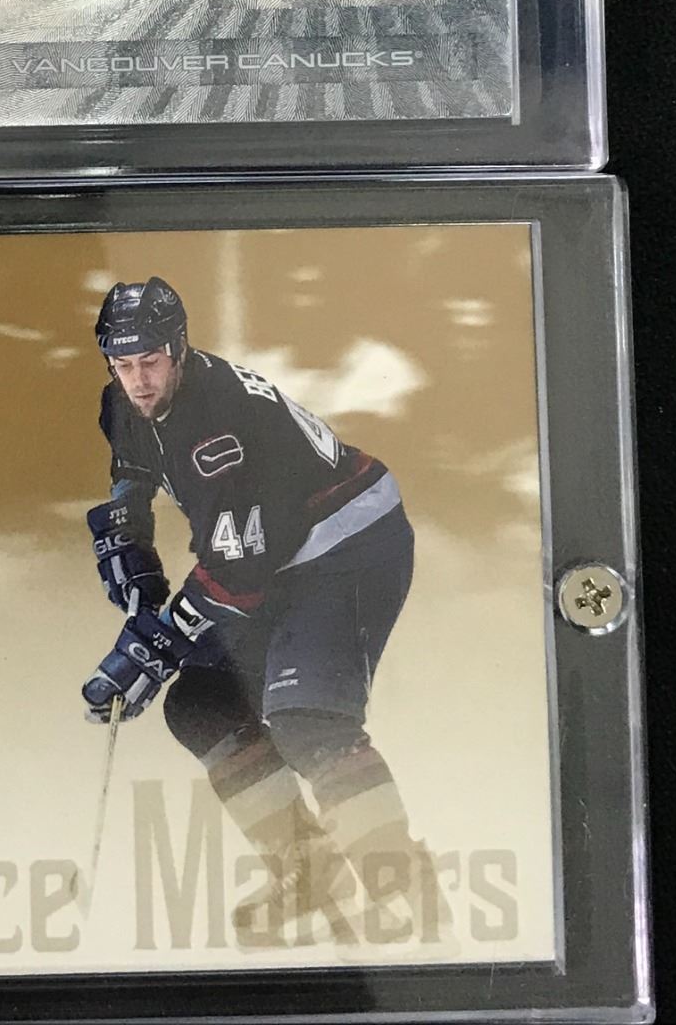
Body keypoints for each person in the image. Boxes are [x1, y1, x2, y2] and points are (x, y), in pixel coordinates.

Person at [82, 276, 443, 942]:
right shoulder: (124, 403)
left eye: (150, 361)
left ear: (178, 349)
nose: (138, 381)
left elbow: (237, 577)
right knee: (203, 704)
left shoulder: (219, 428)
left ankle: (406, 893)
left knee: (307, 721)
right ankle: (309, 871)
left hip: (347, 547)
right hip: (274, 555)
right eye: (122, 364)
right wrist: (128, 540)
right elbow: (134, 470)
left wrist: (154, 644)